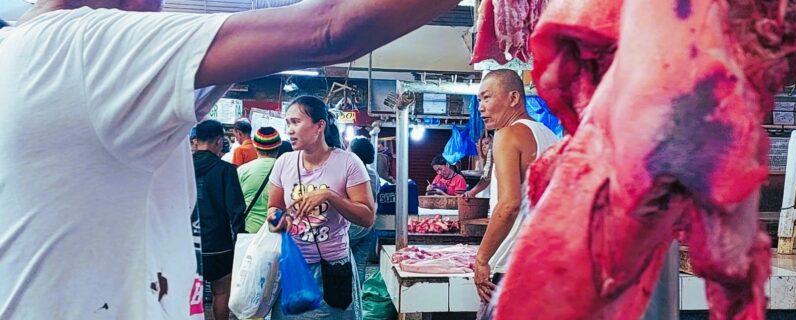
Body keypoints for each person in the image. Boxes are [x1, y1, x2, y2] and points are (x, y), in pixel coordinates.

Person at [0, 0, 458, 317]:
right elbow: (329, 27)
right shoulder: (84, 47)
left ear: (321, 126)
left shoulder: (23, 52)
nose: (160, 8)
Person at [266, 96, 375, 319]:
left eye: (296, 122)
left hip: (334, 269)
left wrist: (329, 196)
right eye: (287, 123)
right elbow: (273, 208)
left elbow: (367, 217)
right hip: (293, 268)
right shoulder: (284, 163)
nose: (289, 130)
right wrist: (278, 220)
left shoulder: (348, 163)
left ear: (319, 126)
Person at [473, 69, 559, 304]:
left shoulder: (507, 134)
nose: (481, 106)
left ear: (513, 98)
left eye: (487, 97)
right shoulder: (550, 136)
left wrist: (482, 259)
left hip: (513, 266)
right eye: (479, 99)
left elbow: (510, 204)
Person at [191, 119, 247, 320]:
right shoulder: (226, 170)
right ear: (218, 141)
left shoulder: (182, 169)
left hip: (187, 244)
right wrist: (240, 241)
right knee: (221, 291)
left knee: (187, 293)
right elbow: (236, 210)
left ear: (196, 141)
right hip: (219, 245)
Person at [347, 136, 379, 285]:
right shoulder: (373, 174)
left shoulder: (348, 172)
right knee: (360, 265)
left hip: (351, 226)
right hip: (368, 226)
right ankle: (358, 299)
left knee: (340, 263)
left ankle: (344, 301)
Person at [239, 126, 282, 234]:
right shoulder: (285, 170)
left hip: (248, 231)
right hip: (276, 230)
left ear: (255, 146)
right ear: (278, 146)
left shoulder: (242, 170)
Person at [464, 132, 494, 199]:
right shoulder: (482, 162)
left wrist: (472, 192)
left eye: (486, 143)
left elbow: (486, 178)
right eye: (481, 145)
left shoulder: (495, 160)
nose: (483, 147)